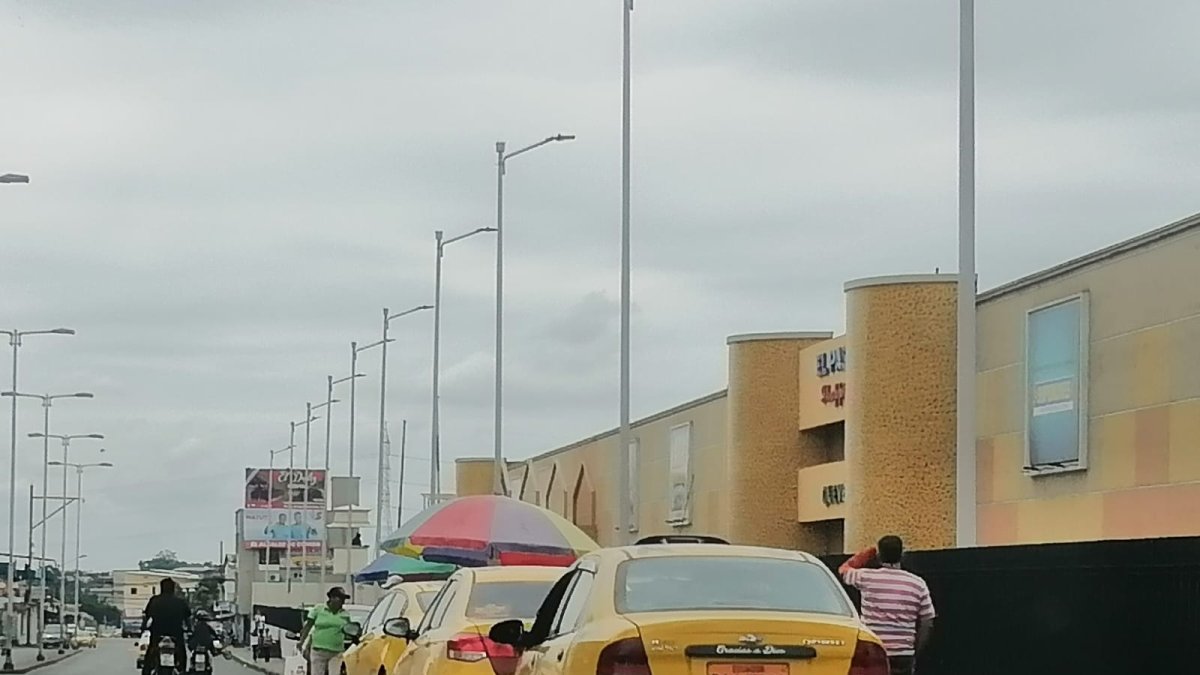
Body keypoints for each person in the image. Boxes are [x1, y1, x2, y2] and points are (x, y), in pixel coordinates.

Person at [839, 535, 934, 675]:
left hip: (873, 651)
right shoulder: (918, 583)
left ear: (879, 556)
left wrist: (864, 555)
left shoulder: (866, 577)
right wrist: (913, 650)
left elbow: (843, 570)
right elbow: (928, 622)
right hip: (903, 653)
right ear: (902, 554)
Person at [140, 578, 192, 675]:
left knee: (150, 656)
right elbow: (187, 618)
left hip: (157, 634)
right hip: (176, 634)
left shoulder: (154, 601)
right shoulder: (180, 602)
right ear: (173, 588)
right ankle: (182, 670)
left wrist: (143, 628)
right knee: (182, 654)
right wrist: (189, 629)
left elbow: (147, 617)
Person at [297, 587, 351, 675]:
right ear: (331, 598)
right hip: (319, 650)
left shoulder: (345, 614)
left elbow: (349, 630)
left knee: (335, 673)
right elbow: (308, 626)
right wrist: (301, 641)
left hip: (336, 651)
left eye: (343, 599)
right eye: (340, 599)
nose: (342, 602)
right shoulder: (318, 609)